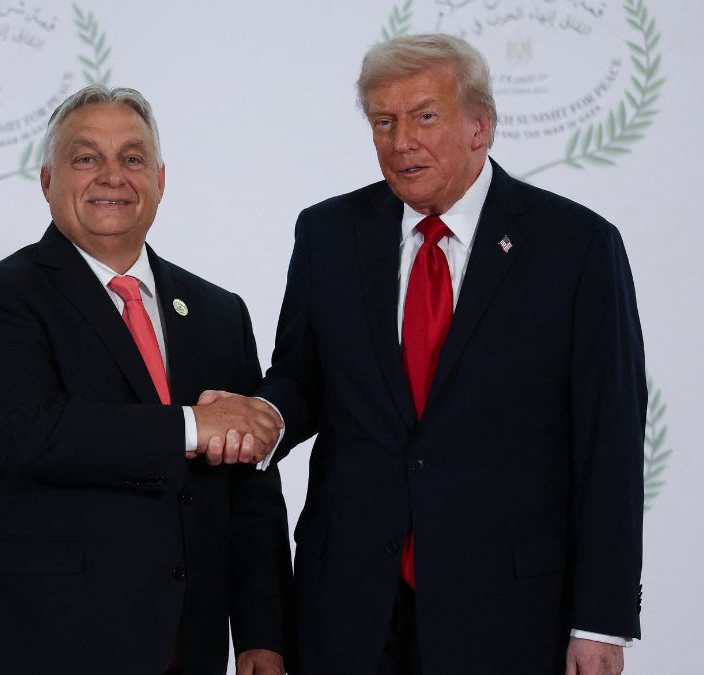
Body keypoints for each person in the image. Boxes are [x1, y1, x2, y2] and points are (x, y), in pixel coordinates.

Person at [202, 34, 645, 674]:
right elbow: (302, 377)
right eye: (384, 121)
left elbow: (610, 439)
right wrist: (263, 415)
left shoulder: (575, 247)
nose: (401, 139)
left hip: (508, 608)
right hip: (350, 601)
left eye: (424, 116)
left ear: (480, 126)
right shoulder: (329, 234)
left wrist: (600, 621)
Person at [0, 85, 292, 675]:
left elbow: (249, 495)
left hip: (182, 642)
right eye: (86, 157)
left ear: (161, 180)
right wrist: (196, 425)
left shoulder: (220, 312)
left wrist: (261, 633)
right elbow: (34, 434)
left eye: (133, 158)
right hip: (33, 638)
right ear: (47, 180)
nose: (112, 176)